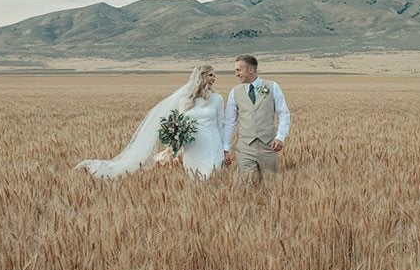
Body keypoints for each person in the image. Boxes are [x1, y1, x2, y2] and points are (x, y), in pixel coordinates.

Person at [76, 65, 224, 180]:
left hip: (212, 143)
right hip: (193, 146)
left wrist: (225, 148)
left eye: (214, 75)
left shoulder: (217, 99)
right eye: (211, 75)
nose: (214, 78)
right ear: (201, 77)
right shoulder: (185, 101)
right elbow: (180, 123)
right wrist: (175, 141)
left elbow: (221, 124)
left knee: (213, 174)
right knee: (196, 179)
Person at [223, 55, 291, 185]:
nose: (236, 74)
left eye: (238, 70)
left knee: (272, 186)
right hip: (245, 148)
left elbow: (284, 114)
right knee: (248, 186)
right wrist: (226, 148)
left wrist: (280, 137)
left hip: (269, 146)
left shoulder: (273, 87)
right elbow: (230, 122)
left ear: (250, 70)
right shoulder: (235, 92)